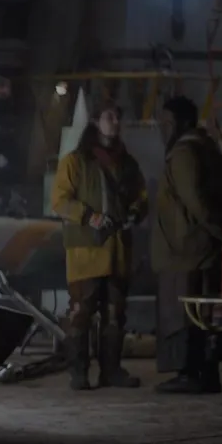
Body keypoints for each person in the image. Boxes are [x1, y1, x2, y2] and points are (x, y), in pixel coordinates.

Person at [51, 97, 149, 390]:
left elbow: (141, 196)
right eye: (109, 116)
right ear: (95, 121)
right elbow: (59, 200)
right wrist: (89, 216)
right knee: (80, 314)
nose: (116, 122)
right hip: (85, 252)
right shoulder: (74, 162)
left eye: (117, 117)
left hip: (117, 251)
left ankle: (111, 370)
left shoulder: (127, 163)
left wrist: (135, 211)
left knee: (115, 315)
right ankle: (78, 372)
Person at [152, 96, 222, 394]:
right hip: (199, 248)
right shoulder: (207, 148)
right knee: (203, 312)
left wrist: (218, 232)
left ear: (182, 122)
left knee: (184, 315)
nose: (162, 128)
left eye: (166, 122)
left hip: (185, 251)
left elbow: (196, 201)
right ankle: (206, 372)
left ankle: (190, 373)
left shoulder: (184, 153)